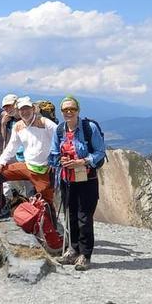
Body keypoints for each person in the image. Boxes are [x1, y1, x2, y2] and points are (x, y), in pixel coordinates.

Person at [49, 96, 106, 271]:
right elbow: (53, 153)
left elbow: (100, 152)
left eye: (72, 109)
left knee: (84, 217)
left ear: (78, 111)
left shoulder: (89, 128)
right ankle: (73, 250)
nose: (68, 112)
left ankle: (85, 255)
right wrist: (61, 160)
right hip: (67, 179)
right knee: (70, 215)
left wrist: (82, 162)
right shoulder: (59, 130)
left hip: (87, 180)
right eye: (65, 110)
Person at [0, 96, 58, 219]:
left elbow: (61, 138)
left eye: (27, 108)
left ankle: (53, 234)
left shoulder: (45, 123)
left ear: (33, 109)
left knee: (46, 204)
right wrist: (1, 164)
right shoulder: (18, 126)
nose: (24, 112)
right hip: (27, 166)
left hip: (43, 170)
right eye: (21, 109)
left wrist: (55, 162)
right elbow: (11, 147)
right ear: (18, 111)